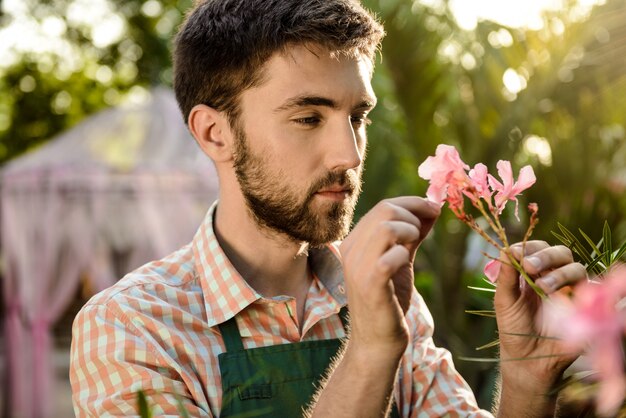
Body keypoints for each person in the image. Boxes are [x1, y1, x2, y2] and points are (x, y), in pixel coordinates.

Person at [69, 0, 587, 416]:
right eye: (308, 118)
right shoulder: (131, 327)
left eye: (357, 116)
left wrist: (526, 380)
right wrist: (369, 352)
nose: (350, 154)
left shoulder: (385, 294)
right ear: (215, 133)